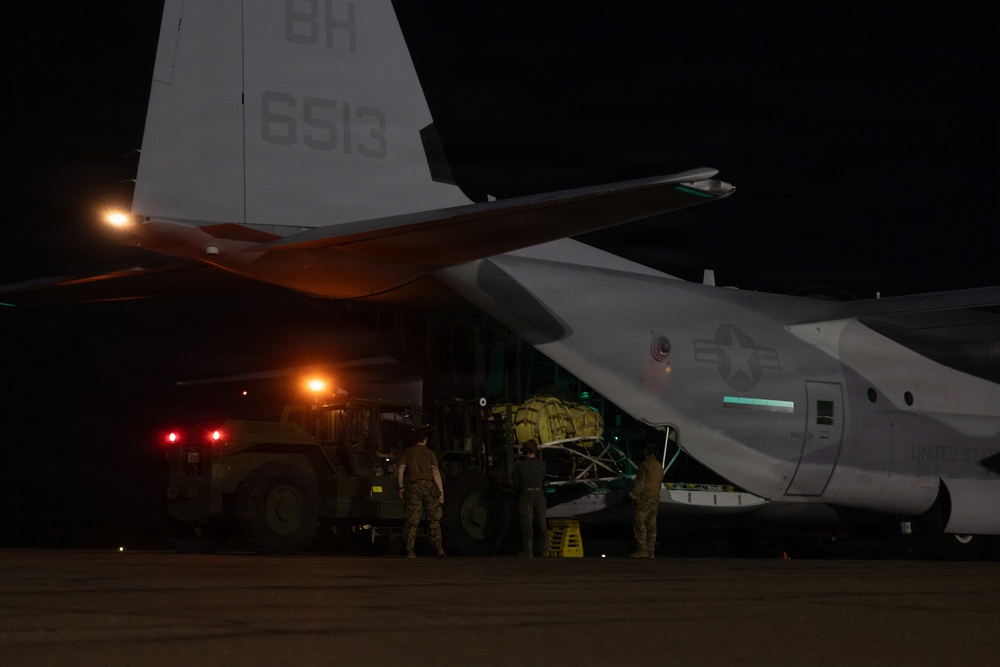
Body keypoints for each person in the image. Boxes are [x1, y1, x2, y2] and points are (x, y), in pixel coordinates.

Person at [397, 427, 445, 558]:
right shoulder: (430, 453)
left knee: (413, 519)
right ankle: (439, 549)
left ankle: (410, 551)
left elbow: (401, 471)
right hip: (429, 487)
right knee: (434, 519)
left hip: (413, 487)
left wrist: (401, 488)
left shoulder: (407, 452)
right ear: (426, 439)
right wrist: (441, 493)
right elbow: (435, 473)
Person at [512, 439, 548, 557]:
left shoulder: (520, 465)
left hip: (526, 494)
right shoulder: (542, 465)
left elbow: (514, 480)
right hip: (539, 494)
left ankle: (528, 552)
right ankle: (544, 551)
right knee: (542, 523)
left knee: (527, 525)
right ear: (536, 450)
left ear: (525, 451)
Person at [630, 443, 663, 558]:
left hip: (646, 496)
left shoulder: (645, 465)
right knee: (651, 523)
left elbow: (640, 482)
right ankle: (651, 551)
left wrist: (634, 496)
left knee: (639, 520)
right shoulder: (659, 466)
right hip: (655, 497)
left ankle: (642, 549)